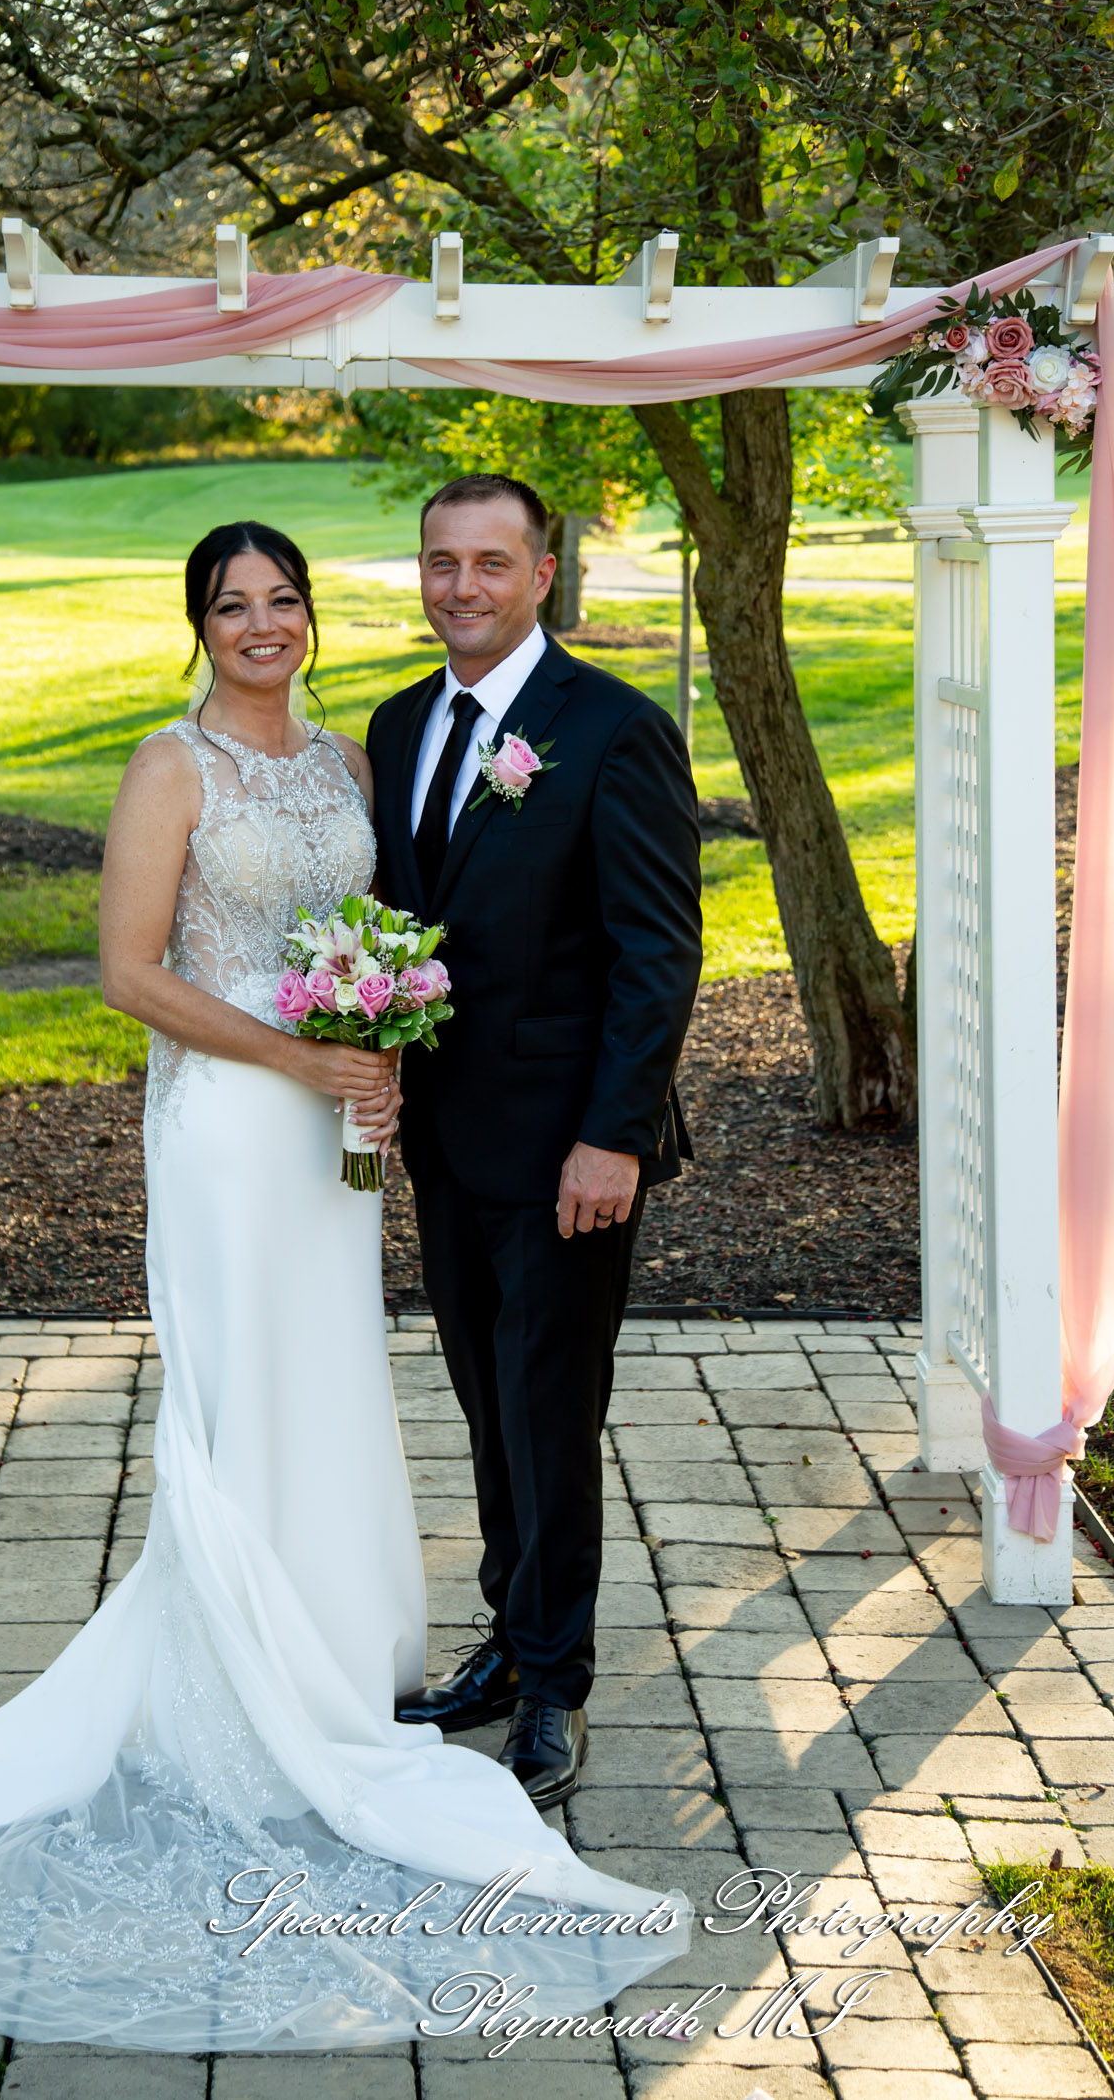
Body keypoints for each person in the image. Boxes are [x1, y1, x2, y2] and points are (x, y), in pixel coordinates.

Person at [0, 519, 690, 2052]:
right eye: (230, 605)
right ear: (198, 622)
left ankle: (429, 1663)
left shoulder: (364, 756)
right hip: (237, 1125)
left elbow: (515, 939)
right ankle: (288, 1668)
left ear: (537, 572)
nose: (260, 623)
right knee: (287, 1386)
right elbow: (133, 969)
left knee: (363, 1387)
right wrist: (321, 1054)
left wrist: (414, 1069)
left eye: (282, 600)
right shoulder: (189, 763)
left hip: (375, 1132)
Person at [368, 475, 702, 1808]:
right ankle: (509, 1644)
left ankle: (556, 1682)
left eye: (490, 563)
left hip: (570, 1152)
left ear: (544, 572)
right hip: (448, 1143)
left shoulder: (612, 729)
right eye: (441, 563)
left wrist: (613, 1138)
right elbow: (403, 915)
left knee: (550, 1414)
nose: (462, 588)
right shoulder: (399, 727)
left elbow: (656, 954)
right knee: (488, 1411)